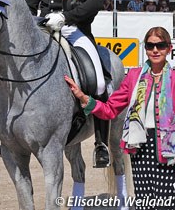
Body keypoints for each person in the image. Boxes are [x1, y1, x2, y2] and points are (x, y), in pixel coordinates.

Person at [26, 0, 109, 167]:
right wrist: (36, 23)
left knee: (98, 79)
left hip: (75, 30)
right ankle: (9, 135)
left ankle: (101, 143)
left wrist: (66, 17)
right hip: (45, 30)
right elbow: (30, 6)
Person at [65, 26, 175, 210]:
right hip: (140, 148)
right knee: (144, 204)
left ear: (169, 48)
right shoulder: (133, 77)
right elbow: (110, 109)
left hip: (168, 149)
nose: (155, 50)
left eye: (160, 45)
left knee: (165, 204)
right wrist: (84, 98)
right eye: (150, 46)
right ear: (145, 48)